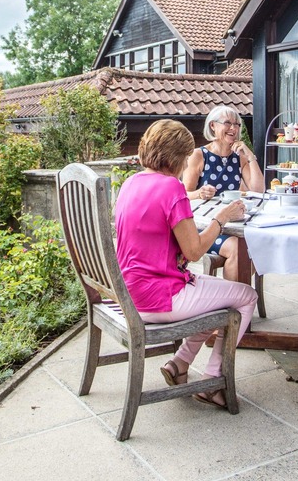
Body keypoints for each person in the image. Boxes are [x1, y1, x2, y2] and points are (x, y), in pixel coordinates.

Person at [114, 119, 257, 409]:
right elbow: (194, 252)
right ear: (178, 157)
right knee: (246, 297)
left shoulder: (131, 183)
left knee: (214, 297)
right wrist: (223, 218)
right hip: (159, 298)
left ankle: (179, 364)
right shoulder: (171, 188)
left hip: (128, 293)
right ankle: (214, 379)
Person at [182, 105, 264, 285]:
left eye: (237, 124)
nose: (233, 128)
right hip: (204, 228)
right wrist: (200, 193)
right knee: (238, 248)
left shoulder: (239, 157)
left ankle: (236, 302)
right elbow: (184, 195)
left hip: (234, 224)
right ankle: (234, 303)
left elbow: (258, 190)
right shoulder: (199, 155)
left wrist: (250, 156)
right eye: (227, 123)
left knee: (257, 247)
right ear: (213, 126)